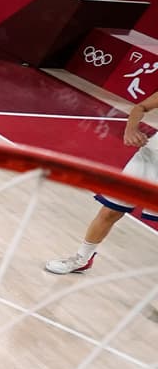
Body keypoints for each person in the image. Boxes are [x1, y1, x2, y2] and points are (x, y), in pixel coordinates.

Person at [45, 90, 158, 275]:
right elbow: (140, 107)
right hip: (148, 159)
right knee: (110, 212)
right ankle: (82, 258)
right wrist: (131, 129)